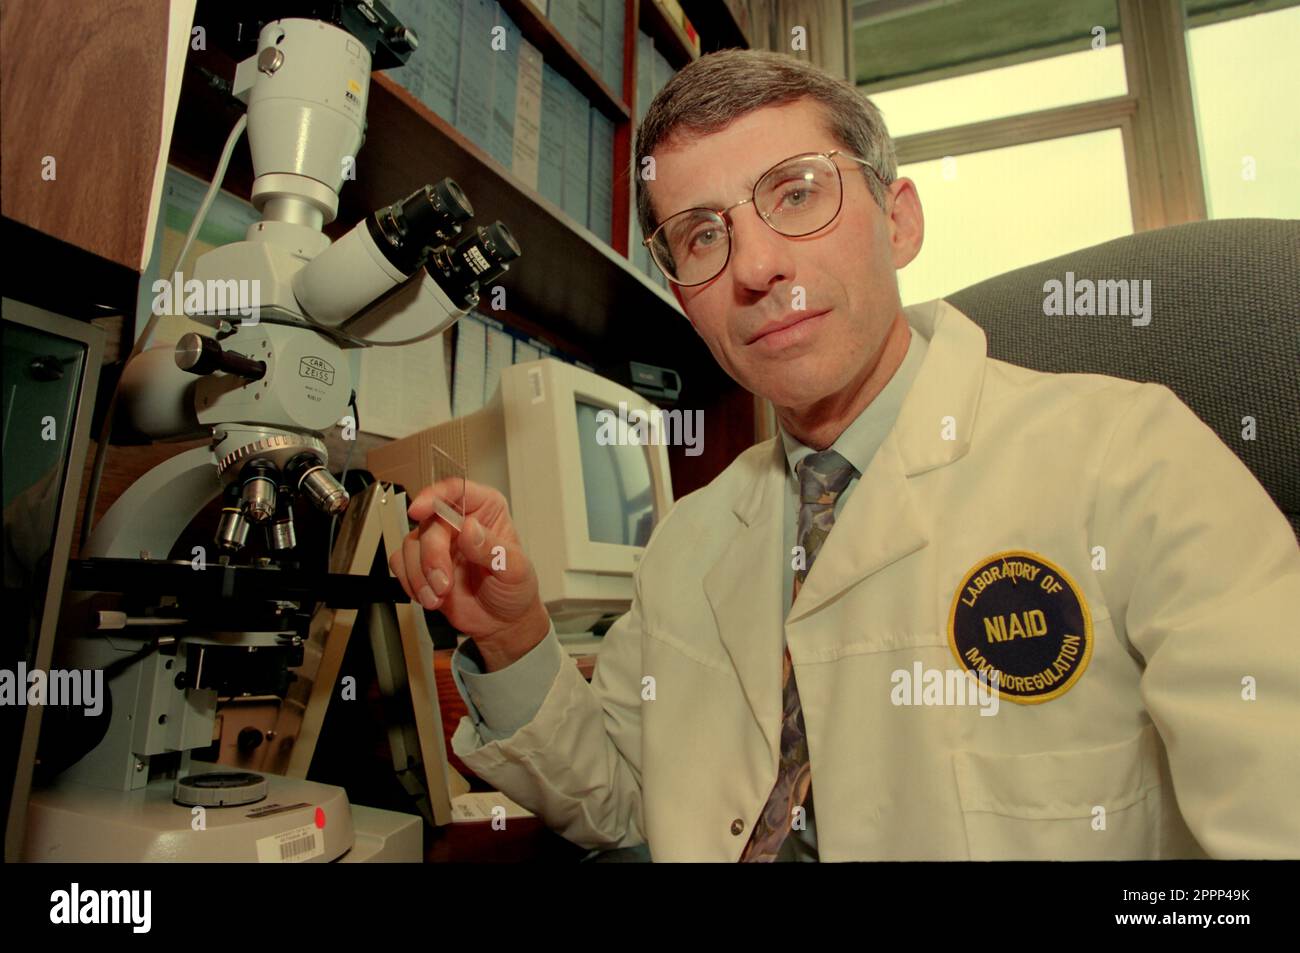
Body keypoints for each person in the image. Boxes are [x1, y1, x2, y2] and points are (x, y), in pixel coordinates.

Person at [389, 49, 1300, 861]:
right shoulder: (690, 542)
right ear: (684, 293)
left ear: (898, 220)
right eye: (704, 234)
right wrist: (510, 635)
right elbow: (626, 804)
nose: (754, 266)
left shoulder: (1131, 457)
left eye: (795, 192)